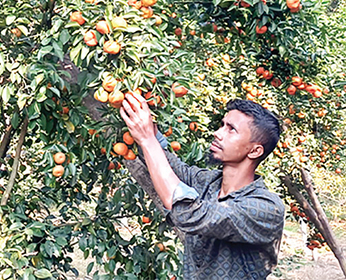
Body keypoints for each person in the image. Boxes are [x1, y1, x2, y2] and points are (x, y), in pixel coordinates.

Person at [120, 93, 285, 280]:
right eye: (222, 125)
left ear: (255, 151)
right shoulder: (208, 182)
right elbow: (169, 165)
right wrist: (147, 122)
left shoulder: (266, 208)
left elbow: (189, 213)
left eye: (231, 129)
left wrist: (147, 138)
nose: (218, 133)